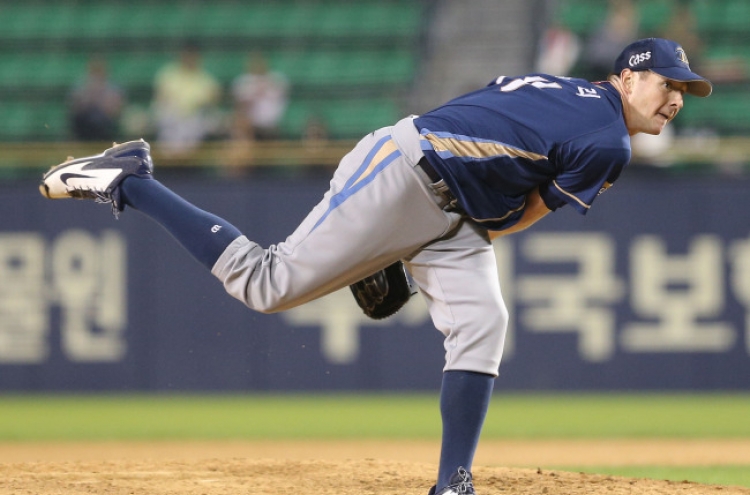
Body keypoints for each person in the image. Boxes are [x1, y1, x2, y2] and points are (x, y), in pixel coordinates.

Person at [38, 38, 711, 495]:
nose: (676, 96)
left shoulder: (569, 92)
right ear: (626, 75)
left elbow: (494, 109)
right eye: (665, 81)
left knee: (484, 319)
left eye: (685, 87)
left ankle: (453, 482)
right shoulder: (607, 140)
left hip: (448, 207)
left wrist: (421, 245)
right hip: (404, 176)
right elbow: (521, 216)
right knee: (267, 283)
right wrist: (401, 242)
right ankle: (131, 180)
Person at [151, 40, 221, 158]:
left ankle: (183, 155)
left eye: (192, 56)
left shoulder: (206, 79)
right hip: (172, 118)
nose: (189, 59)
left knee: (200, 121)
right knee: (166, 116)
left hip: (195, 121)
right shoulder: (168, 74)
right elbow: (161, 99)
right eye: (187, 55)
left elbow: (211, 102)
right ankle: (171, 156)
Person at [68, 57, 124, 141]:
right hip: (85, 122)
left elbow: (116, 109)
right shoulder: (82, 87)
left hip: (105, 122)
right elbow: (75, 106)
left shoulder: (112, 88)